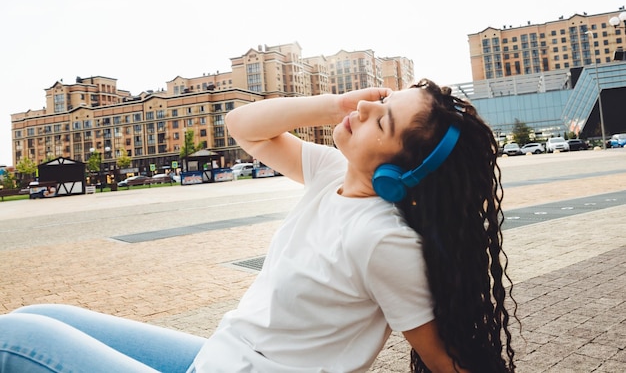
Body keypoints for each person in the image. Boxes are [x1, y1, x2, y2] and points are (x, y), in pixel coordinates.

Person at [0, 79, 517, 372]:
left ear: (400, 172)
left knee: (15, 338)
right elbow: (243, 126)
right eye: (380, 101)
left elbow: (442, 359)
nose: (365, 108)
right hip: (225, 356)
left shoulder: (381, 238)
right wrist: (339, 105)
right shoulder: (331, 173)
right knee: (43, 312)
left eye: (380, 120)